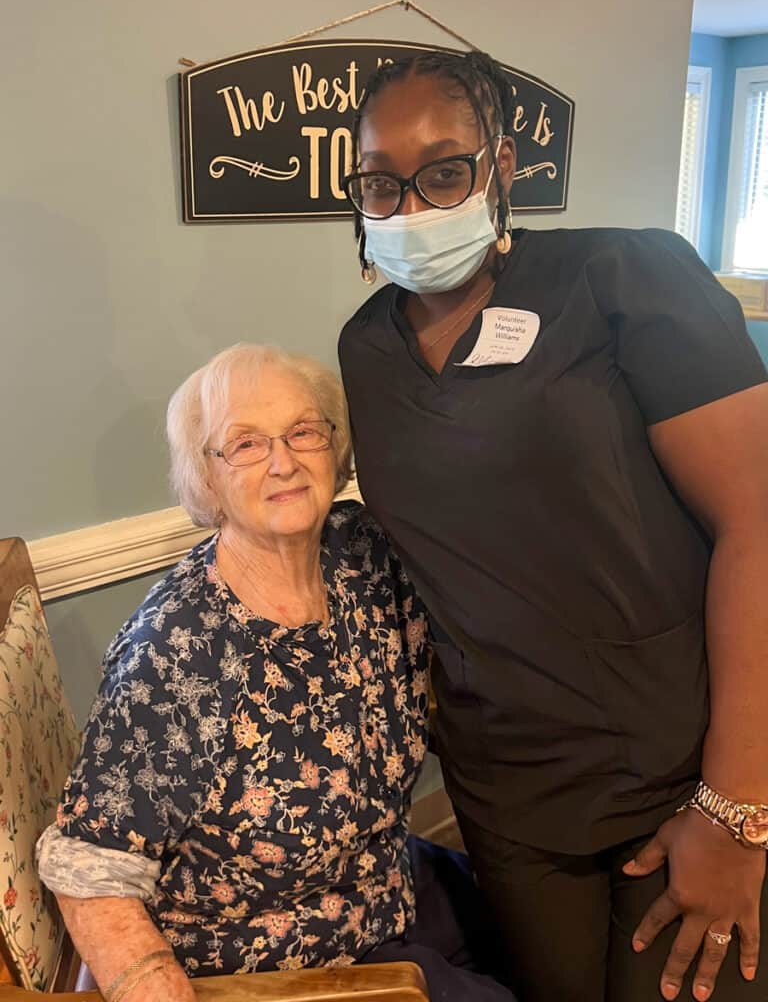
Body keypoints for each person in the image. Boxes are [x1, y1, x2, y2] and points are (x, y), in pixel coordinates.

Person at [337, 50, 768, 1002]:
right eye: (378, 183)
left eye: (444, 171)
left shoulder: (623, 276)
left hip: (679, 768)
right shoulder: (366, 348)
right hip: (507, 795)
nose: (410, 207)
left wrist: (737, 812)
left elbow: (759, 527)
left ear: (502, 165)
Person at [36, 344, 517, 1002]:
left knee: (556, 949)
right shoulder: (178, 649)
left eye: (303, 432)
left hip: (385, 882)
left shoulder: (363, 556)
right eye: (246, 444)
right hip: (272, 959)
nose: (284, 462)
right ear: (207, 480)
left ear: (336, 446)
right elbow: (91, 873)